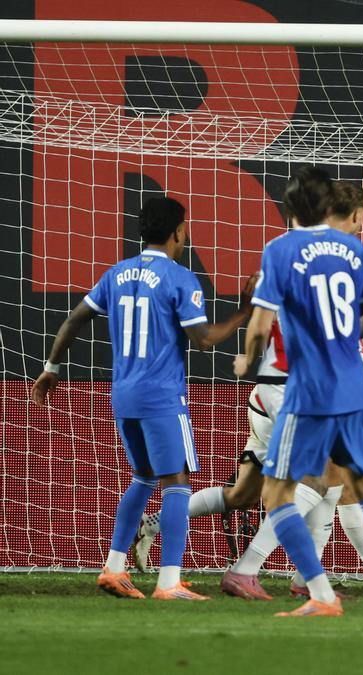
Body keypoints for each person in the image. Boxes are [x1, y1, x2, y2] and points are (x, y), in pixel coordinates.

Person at [31, 196, 253, 600]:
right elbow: (203, 340)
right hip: (162, 397)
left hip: (124, 395)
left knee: (144, 476)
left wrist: (51, 368)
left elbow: (74, 319)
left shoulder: (116, 274)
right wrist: (243, 313)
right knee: (177, 483)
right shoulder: (180, 277)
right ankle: (169, 581)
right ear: (178, 232)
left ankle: (114, 567)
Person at [232, 165, 363, 617]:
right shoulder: (353, 248)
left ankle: (321, 595)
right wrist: (348, 333)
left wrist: (245, 358)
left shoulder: (279, 249)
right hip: (351, 382)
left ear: (291, 206)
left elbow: (258, 324)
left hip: (308, 388)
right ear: (328, 205)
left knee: (276, 495)